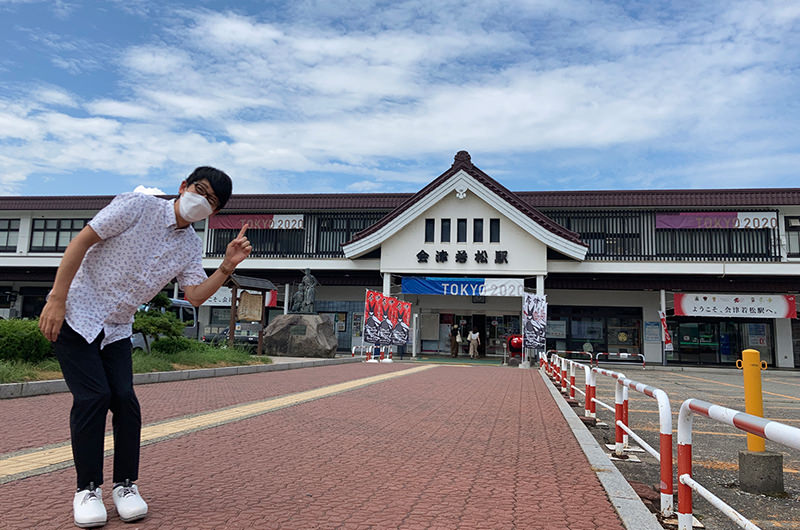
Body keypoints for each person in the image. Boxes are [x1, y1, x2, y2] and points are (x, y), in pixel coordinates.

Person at [38, 167, 252, 528]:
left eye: (212, 201)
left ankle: (125, 485)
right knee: (93, 398)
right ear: (183, 187)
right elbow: (81, 241)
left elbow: (195, 296)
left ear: (214, 213)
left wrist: (227, 266)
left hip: (118, 327)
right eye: (200, 190)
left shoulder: (189, 245)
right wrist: (56, 299)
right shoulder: (137, 206)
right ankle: (87, 489)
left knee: (125, 399)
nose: (202, 201)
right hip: (77, 313)